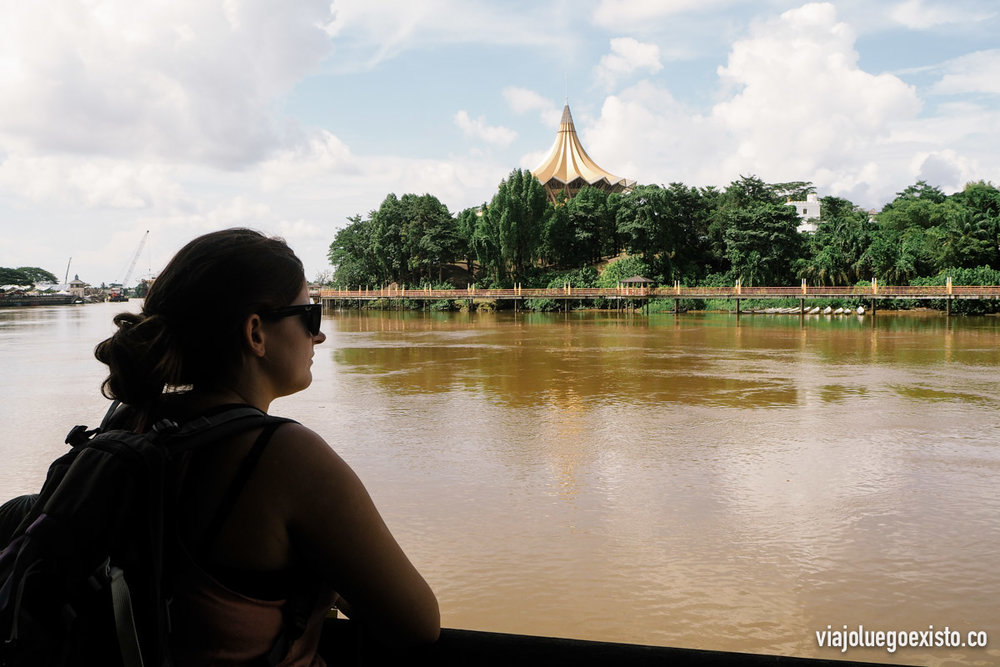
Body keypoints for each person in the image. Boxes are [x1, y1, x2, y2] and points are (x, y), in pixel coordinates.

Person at [93, 228, 439, 666]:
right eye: (310, 317)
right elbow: (418, 625)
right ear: (256, 333)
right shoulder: (283, 455)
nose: (319, 337)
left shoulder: (129, 423)